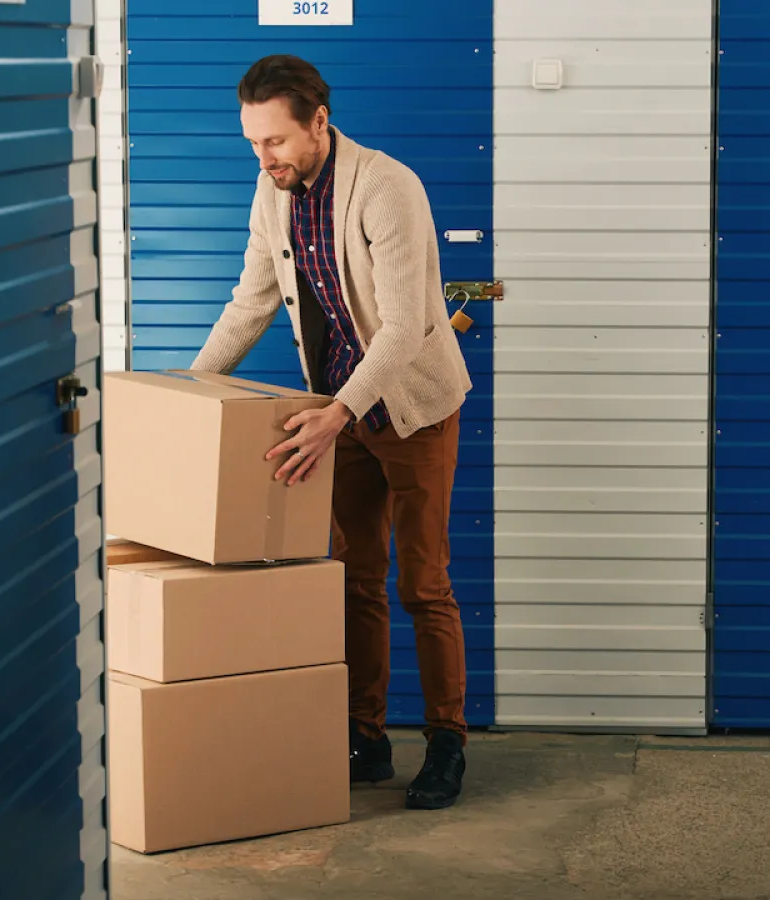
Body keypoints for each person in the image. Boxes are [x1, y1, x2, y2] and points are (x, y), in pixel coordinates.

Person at [188, 54, 474, 810]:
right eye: (253, 143)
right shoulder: (272, 190)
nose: (265, 158)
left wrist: (339, 414)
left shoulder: (386, 187)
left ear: (319, 121)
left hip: (410, 408)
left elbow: (408, 325)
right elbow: (251, 300)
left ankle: (447, 744)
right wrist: (188, 390)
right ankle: (366, 739)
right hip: (334, 410)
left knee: (424, 583)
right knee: (352, 579)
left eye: (276, 141)